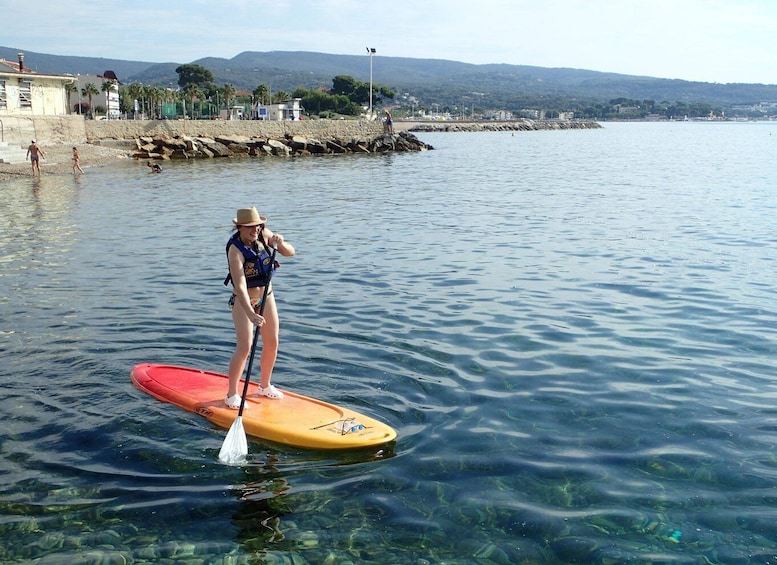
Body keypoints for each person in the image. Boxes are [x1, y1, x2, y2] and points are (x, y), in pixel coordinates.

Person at [224, 207, 295, 408]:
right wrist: (250, 313)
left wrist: (281, 243)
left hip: (267, 296)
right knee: (245, 346)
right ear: (239, 227)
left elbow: (290, 253)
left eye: (257, 226)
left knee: (272, 342)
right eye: (249, 227)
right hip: (243, 300)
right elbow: (240, 285)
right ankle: (231, 395)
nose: (255, 230)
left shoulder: (264, 234)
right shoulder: (235, 249)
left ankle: (265, 386)